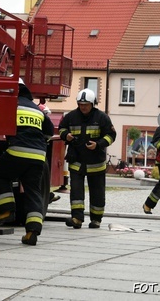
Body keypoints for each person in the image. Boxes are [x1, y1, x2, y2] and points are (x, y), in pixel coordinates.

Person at [0, 78, 54, 246]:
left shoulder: (11, 104)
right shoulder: (36, 109)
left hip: (18, 150)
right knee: (33, 191)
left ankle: (6, 209)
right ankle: (32, 231)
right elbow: (49, 131)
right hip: (39, 155)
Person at [58, 88, 116, 229]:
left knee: (97, 192)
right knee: (76, 191)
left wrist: (99, 144)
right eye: (80, 104)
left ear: (93, 104)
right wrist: (66, 135)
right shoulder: (71, 116)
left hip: (96, 162)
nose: (83, 107)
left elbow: (111, 135)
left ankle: (96, 219)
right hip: (76, 161)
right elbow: (61, 128)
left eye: (86, 104)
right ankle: (77, 218)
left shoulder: (102, 118)